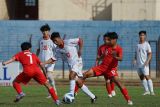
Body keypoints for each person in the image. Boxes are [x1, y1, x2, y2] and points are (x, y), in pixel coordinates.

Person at [76, 32, 133, 105]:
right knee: (84, 75)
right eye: (108, 39)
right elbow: (103, 55)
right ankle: (74, 93)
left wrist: (115, 57)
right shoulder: (106, 47)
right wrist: (99, 58)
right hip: (101, 67)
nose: (108, 41)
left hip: (111, 70)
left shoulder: (119, 48)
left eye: (110, 39)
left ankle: (128, 100)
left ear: (115, 39)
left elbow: (121, 58)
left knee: (119, 84)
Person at [43, 32, 97, 103]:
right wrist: (43, 63)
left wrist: (80, 50)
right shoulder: (57, 49)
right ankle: (93, 97)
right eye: (53, 41)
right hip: (70, 65)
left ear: (59, 38)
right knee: (79, 83)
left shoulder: (68, 42)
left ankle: (71, 94)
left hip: (77, 62)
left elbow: (80, 40)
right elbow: (53, 58)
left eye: (55, 40)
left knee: (71, 75)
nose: (55, 42)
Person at [36, 24, 57, 98]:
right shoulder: (40, 40)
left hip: (50, 61)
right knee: (46, 78)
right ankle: (51, 92)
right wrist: (36, 58)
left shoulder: (52, 40)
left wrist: (54, 59)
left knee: (48, 75)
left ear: (48, 31)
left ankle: (53, 91)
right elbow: (38, 50)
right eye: (43, 31)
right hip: (42, 62)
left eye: (46, 31)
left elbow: (56, 50)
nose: (44, 32)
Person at [133, 31, 155, 95]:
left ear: (145, 36)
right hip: (138, 64)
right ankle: (146, 91)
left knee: (147, 76)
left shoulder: (147, 44)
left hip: (144, 64)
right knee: (141, 77)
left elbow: (150, 54)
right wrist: (134, 59)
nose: (141, 36)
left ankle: (152, 91)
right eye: (140, 35)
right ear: (139, 36)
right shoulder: (137, 45)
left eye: (143, 35)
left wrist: (147, 61)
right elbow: (136, 53)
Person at [96, 33, 116, 98]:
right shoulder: (101, 47)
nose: (105, 40)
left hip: (111, 66)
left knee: (112, 78)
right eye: (104, 39)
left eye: (107, 39)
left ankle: (112, 90)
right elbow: (98, 57)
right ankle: (109, 94)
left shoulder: (111, 47)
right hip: (104, 66)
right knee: (107, 80)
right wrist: (97, 64)